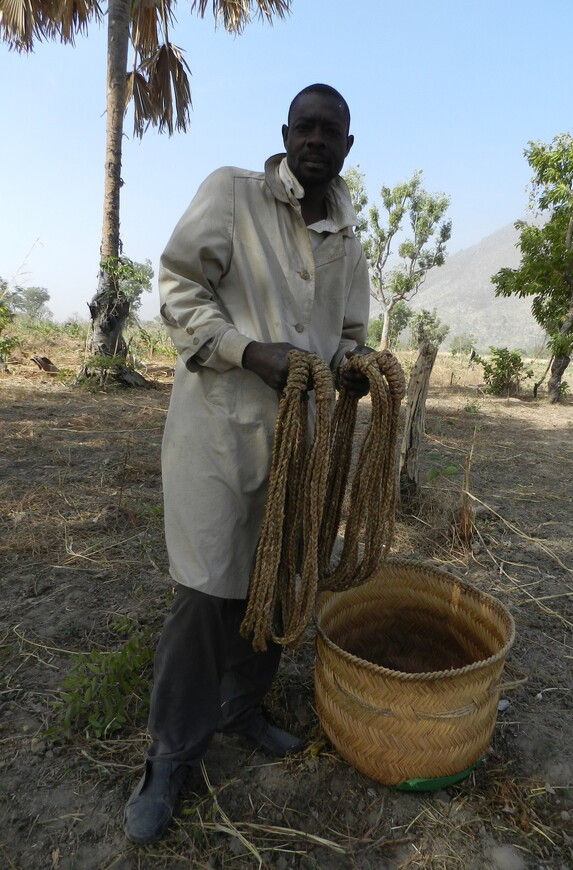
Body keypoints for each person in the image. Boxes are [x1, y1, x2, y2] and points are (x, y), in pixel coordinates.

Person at [124, 84, 372, 845]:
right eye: (307, 127)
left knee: (276, 579)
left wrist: (359, 367)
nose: (317, 140)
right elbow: (178, 285)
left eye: (332, 131)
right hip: (218, 432)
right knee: (204, 593)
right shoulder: (231, 194)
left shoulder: (346, 238)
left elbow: (350, 331)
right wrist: (248, 351)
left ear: (346, 148)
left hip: (302, 440)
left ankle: (243, 708)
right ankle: (170, 757)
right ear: (286, 134)